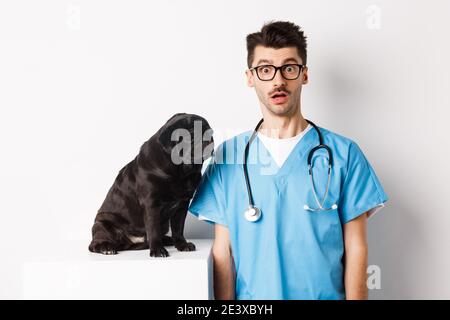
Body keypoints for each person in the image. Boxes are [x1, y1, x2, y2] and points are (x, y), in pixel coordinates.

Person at [188, 21, 388, 300]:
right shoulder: (228, 158)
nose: (278, 80)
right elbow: (223, 252)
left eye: (289, 68)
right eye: (265, 69)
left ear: (304, 75)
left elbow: (356, 247)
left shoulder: (344, 154)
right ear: (250, 77)